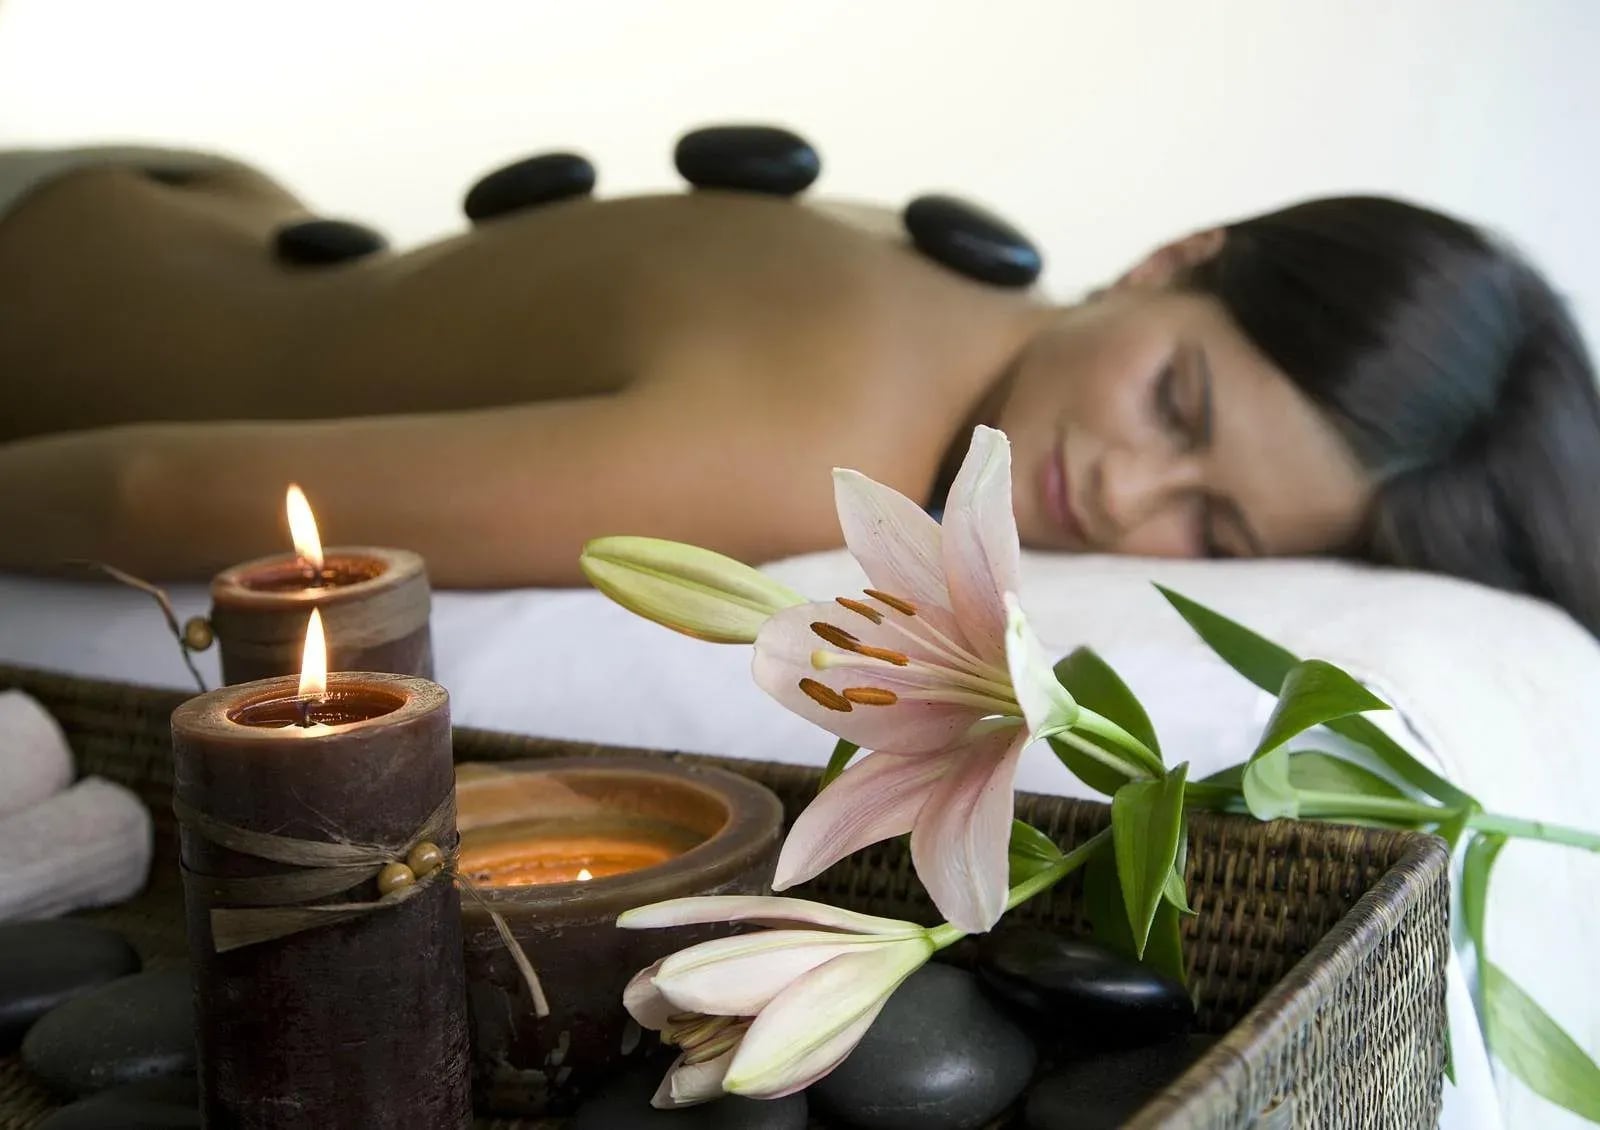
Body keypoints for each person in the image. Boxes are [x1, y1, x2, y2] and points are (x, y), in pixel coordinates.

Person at [1, 146, 1596, 637]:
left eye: (1218, 529)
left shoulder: (978, 282)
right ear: (1181, 253)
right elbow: (153, 502)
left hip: (155, 214)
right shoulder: (807, 466)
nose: (1124, 494)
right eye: (1179, 410)